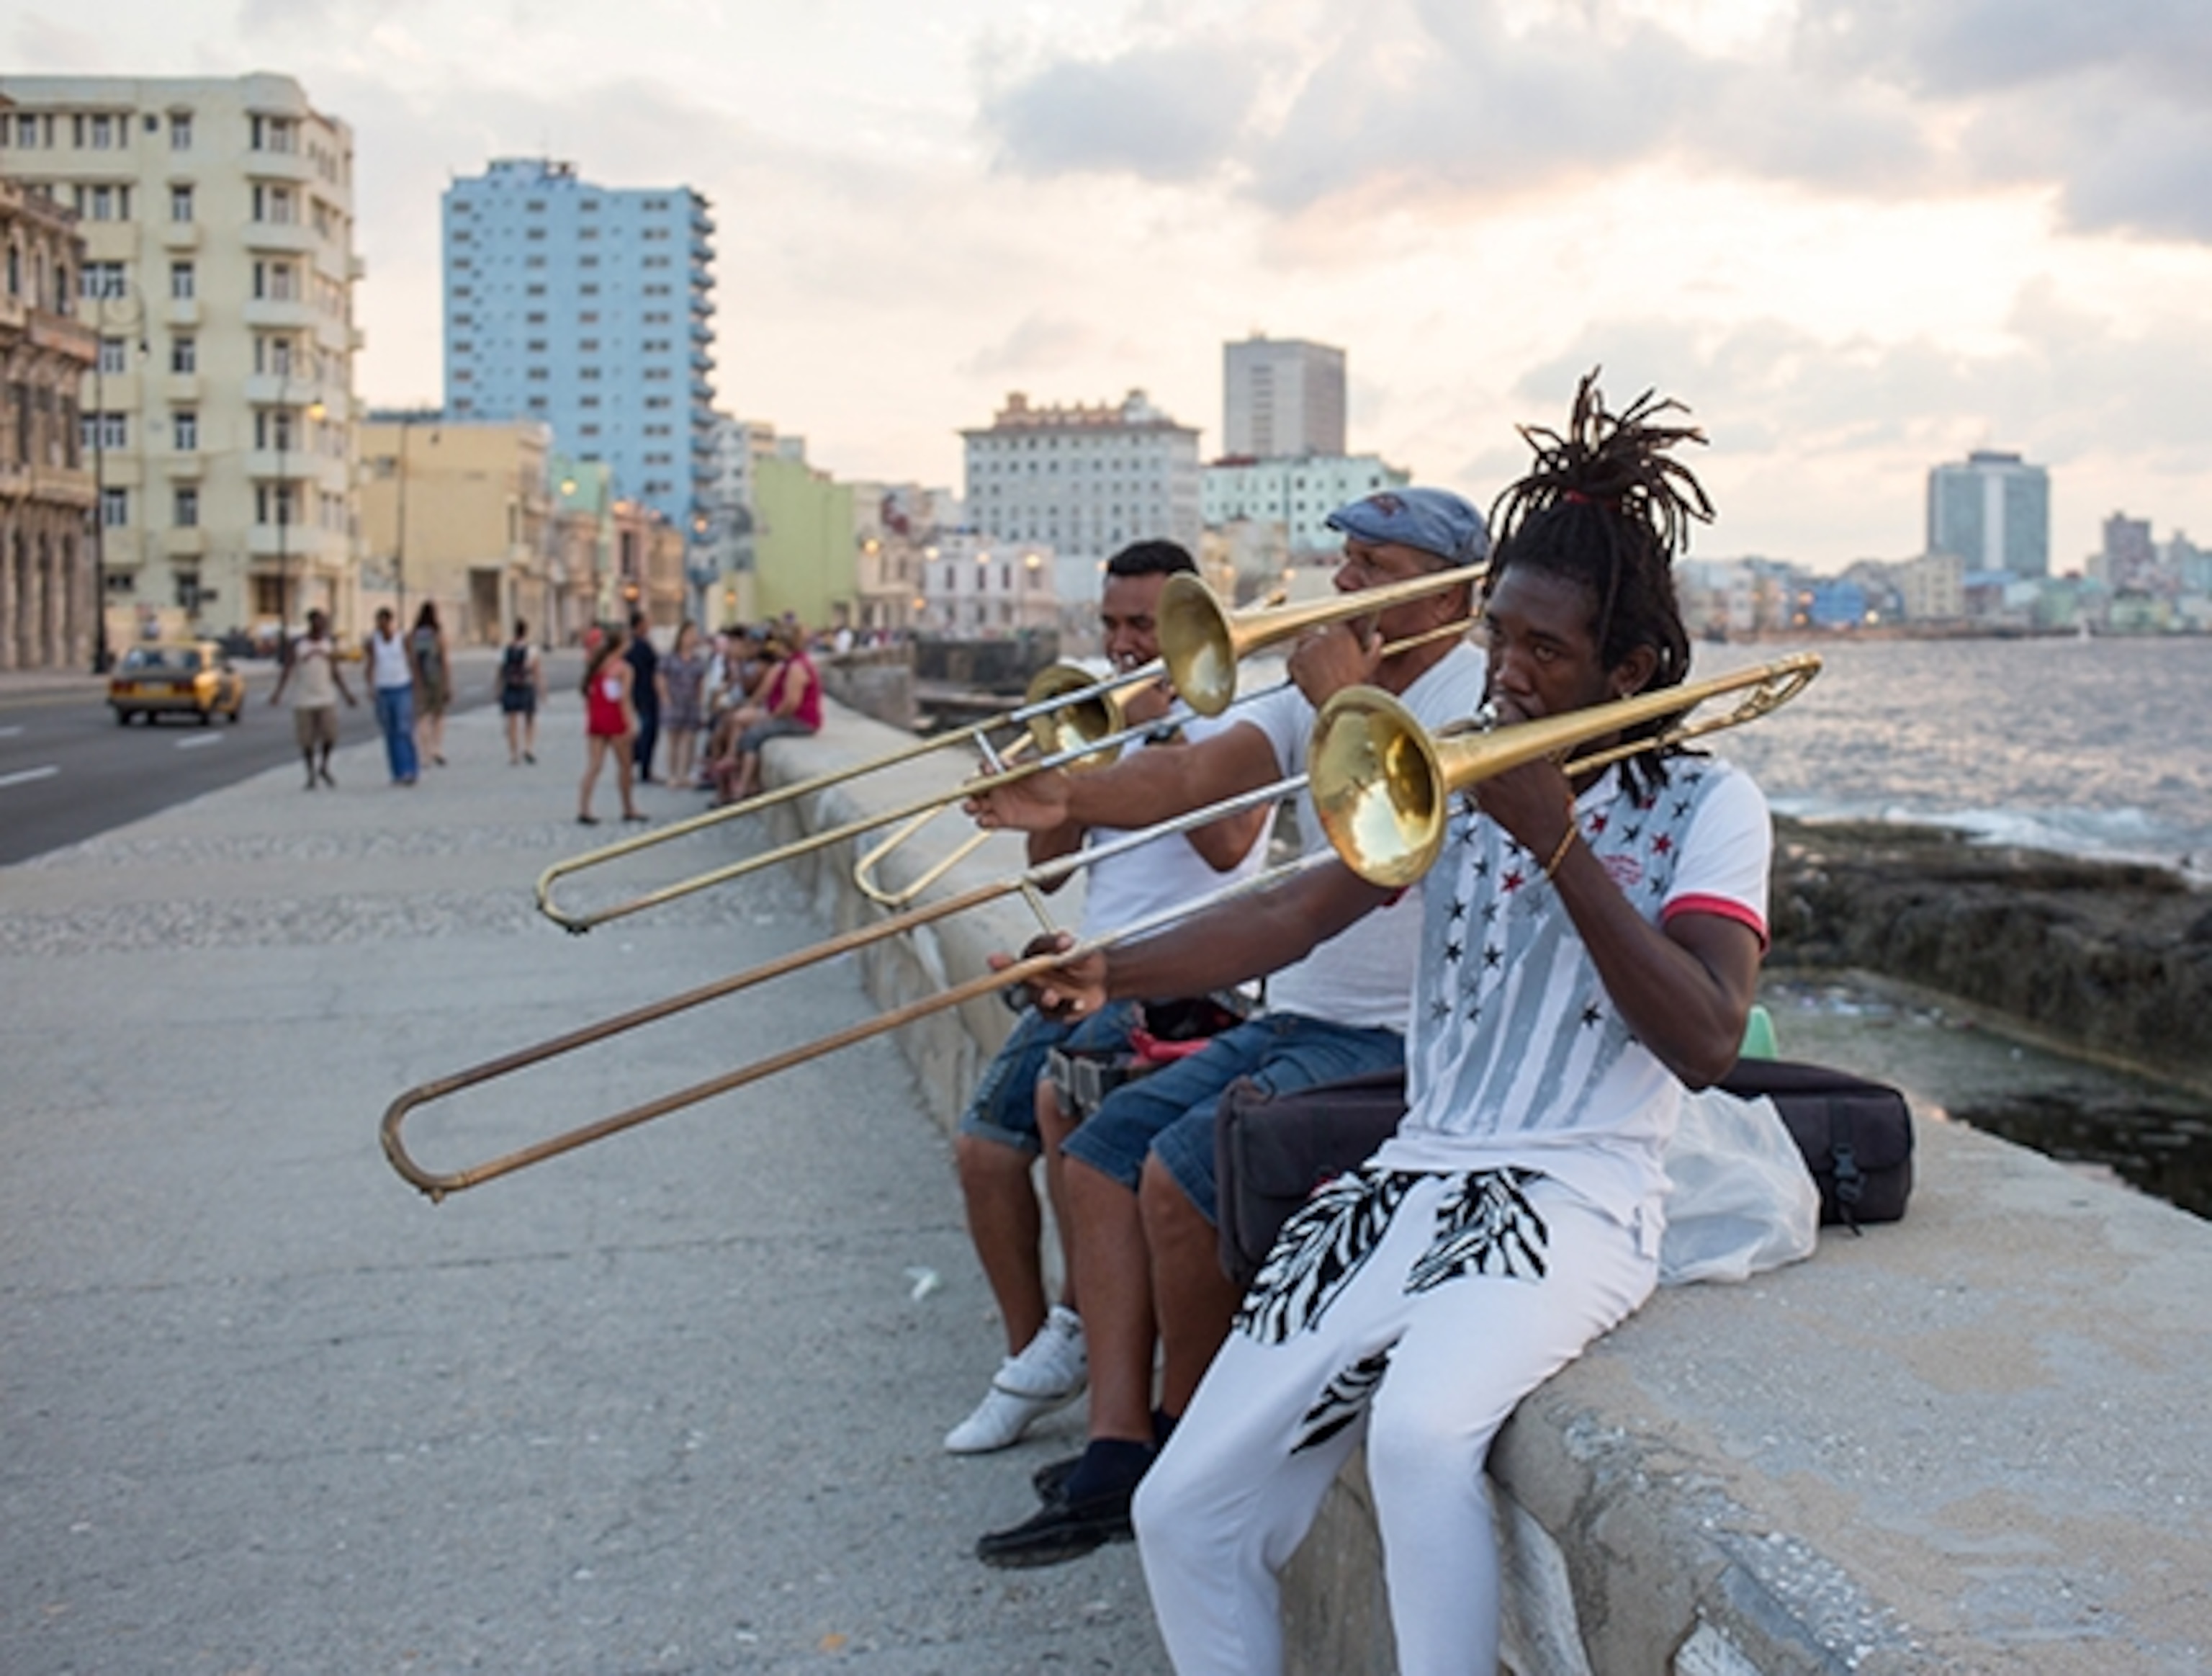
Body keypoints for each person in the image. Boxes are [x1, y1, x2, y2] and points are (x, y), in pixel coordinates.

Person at [1023, 376, 1768, 1675]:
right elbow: (1294, 914)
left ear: (1629, 669)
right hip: (1415, 1175)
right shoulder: (1456, 776)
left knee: (1421, 1441)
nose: (1508, 676)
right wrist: (1109, 967)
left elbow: (1705, 1038)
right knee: (1177, 1505)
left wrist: (1565, 847)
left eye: (1544, 652)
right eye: (1500, 641)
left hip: (1579, 1190)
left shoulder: (1709, 806)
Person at [965, 485, 1490, 1567]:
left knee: (1175, 1169)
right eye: (1343, 560)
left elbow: (1337, 883)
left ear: (1455, 591)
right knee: (1101, 1154)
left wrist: (1346, 696)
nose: (1341, 584)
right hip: (1302, 1007)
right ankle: (1120, 1445)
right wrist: (1062, 795)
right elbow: (1198, 773)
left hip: (1400, 1036)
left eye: (1373, 568)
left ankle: (1190, 1449)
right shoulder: (1323, 689)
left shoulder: (1474, 700)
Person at [945, 541, 1272, 1458]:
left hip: (1188, 972)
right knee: (981, 1152)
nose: (1127, 646)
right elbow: (1048, 868)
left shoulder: (1235, 716)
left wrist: (1163, 735)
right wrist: (1075, 770)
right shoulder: (1099, 715)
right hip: (1093, 956)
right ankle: (1039, 1350)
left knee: (1071, 1123)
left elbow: (1228, 846)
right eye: (1115, 625)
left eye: (1146, 627)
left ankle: (1075, 1331)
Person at [711, 627, 822, 805]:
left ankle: (745, 786)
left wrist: (772, 717)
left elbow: (791, 703)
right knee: (741, 727)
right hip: (795, 717)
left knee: (753, 736)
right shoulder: (793, 664)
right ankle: (742, 780)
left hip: (800, 721)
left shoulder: (796, 667)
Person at [267, 607, 356, 789]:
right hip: (304, 698)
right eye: (318, 622)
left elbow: (335, 672)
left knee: (330, 735)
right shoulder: (299, 646)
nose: (322, 626)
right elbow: (288, 670)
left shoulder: (328, 644)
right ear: (311, 623)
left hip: (326, 697)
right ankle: (311, 774)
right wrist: (278, 693)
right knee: (306, 740)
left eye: (324, 623)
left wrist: (347, 694)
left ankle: (324, 766)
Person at [578, 622, 645, 825]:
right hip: (616, 718)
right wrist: (630, 722)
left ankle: (584, 807)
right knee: (625, 766)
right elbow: (624, 698)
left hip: (597, 717)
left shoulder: (597, 664)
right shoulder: (624, 668)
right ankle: (628, 806)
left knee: (595, 765)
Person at [364, 606, 419, 787]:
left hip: (402, 686)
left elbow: (412, 661)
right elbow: (371, 664)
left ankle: (410, 769)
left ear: (390, 622)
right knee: (390, 732)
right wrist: (370, 686)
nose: (382, 626)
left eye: (385, 622)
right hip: (384, 688)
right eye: (379, 623)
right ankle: (397, 772)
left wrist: (416, 685)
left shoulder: (402, 639)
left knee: (404, 729)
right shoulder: (373, 642)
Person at [659, 620, 709, 789]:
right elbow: (661, 678)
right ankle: (672, 774)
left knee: (689, 739)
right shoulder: (670, 658)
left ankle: (685, 773)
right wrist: (665, 697)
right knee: (673, 740)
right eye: (689, 634)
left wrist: (701, 703)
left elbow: (701, 682)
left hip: (691, 702)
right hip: (674, 700)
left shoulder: (697, 660)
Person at [408, 601, 451, 767]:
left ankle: (424, 753)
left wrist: (415, 680)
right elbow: (445, 661)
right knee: (438, 715)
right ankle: (437, 748)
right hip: (437, 678)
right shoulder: (438, 635)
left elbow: (412, 660)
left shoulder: (414, 636)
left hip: (420, 679)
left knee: (422, 717)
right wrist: (448, 683)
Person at [498, 619, 544, 766]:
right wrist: (542, 690)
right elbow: (537, 672)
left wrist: (498, 689)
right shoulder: (532, 650)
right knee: (529, 719)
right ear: (526, 632)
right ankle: (528, 748)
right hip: (526, 687)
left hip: (510, 687)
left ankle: (513, 754)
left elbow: (499, 672)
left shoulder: (506, 649)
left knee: (512, 722)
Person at [624, 609, 662, 784]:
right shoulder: (641, 646)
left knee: (645, 730)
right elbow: (653, 669)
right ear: (639, 625)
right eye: (646, 623)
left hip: (638, 692)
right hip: (645, 692)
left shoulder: (631, 644)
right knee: (648, 731)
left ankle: (636, 761)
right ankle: (640, 762)